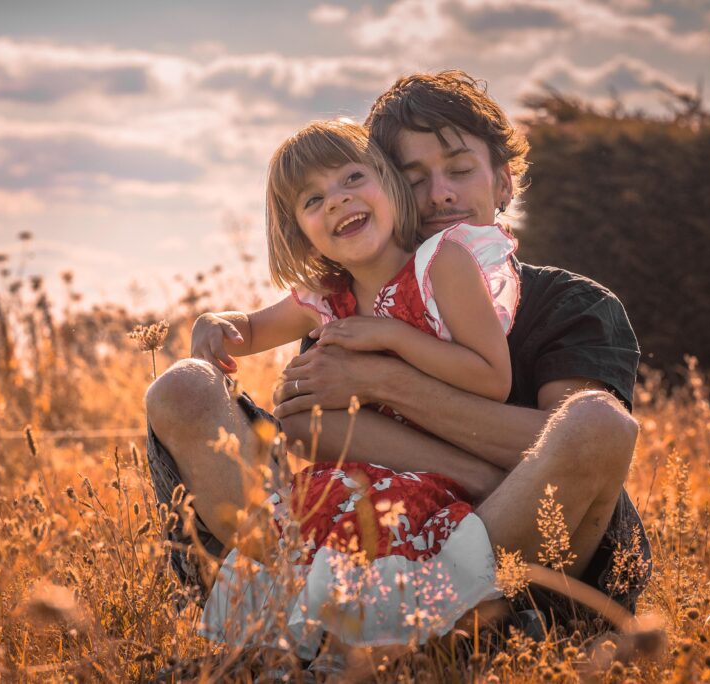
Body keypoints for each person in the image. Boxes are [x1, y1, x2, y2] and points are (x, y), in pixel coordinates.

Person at [146, 70, 650, 649]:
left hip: (522, 551)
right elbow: (321, 425)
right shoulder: (349, 286)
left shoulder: (572, 303)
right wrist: (224, 332)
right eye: (414, 179)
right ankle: (303, 610)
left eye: (460, 170)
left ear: (505, 184)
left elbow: (579, 452)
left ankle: (458, 624)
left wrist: (381, 376)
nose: (439, 194)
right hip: (372, 524)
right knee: (183, 386)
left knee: (598, 421)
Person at [189, 119, 521, 654]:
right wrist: (217, 321)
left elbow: (492, 377)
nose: (338, 202)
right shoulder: (327, 292)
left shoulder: (442, 264)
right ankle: (295, 651)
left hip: (435, 466)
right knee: (309, 531)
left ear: (389, 183)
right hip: (351, 475)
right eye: (314, 200)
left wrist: (391, 335)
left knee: (387, 573)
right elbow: (252, 330)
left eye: (351, 179)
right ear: (298, 230)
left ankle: (378, 653)